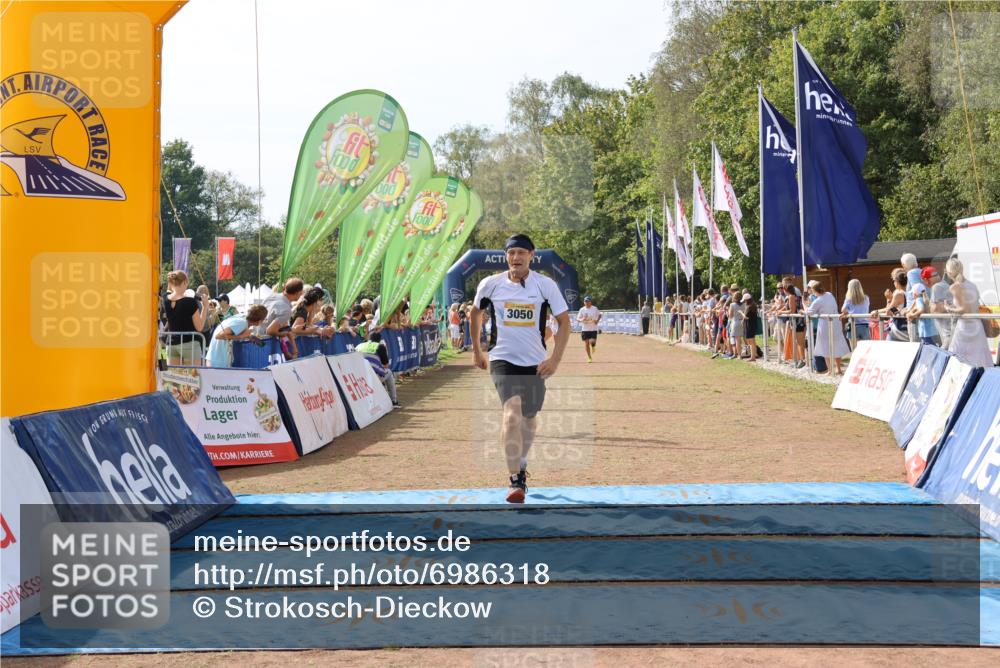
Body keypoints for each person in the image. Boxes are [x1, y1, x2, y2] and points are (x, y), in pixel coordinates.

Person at [471, 234, 570, 504]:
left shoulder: (545, 285)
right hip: (502, 358)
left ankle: (522, 462)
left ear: (531, 256)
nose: (516, 258)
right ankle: (515, 480)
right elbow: (475, 313)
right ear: (506, 256)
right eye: (511, 253)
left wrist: (554, 360)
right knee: (511, 414)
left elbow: (564, 322)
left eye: (521, 253)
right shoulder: (490, 284)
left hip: (535, 362)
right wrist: (477, 350)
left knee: (529, 419)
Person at [945, 258, 993, 367]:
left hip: (965, 328)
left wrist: (949, 308)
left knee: (959, 362)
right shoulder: (972, 285)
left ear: (950, 273)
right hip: (977, 326)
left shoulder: (955, 286)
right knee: (981, 362)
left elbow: (964, 309)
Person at [163, 270, 208, 365]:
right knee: (193, 374)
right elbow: (199, 327)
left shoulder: (165, 298)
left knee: (173, 374)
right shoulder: (190, 302)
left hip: (171, 343)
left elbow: (169, 290)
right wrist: (205, 307)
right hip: (189, 343)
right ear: (184, 282)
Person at [806, 280, 850, 374]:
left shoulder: (818, 300)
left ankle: (830, 370)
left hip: (825, 325)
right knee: (836, 345)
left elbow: (809, 312)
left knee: (825, 346)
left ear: (814, 290)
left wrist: (803, 307)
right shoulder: (829, 295)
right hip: (836, 323)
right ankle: (838, 369)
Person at [260, 278, 304, 358]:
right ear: (297, 293)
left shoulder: (271, 296)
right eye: (301, 292)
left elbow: (285, 327)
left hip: (256, 340)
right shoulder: (286, 310)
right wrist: (283, 334)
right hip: (265, 345)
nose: (302, 294)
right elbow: (270, 331)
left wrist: (294, 348)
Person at [356, 331, 401, 408]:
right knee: (389, 372)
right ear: (379, 340)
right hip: (372, 377)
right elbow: (386, 365)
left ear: (368, 338)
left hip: (358, 377)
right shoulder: (380, 346)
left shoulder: (359, 346)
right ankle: (394, 401)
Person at [924, 266, 954, 348]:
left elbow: (935, 309)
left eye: (924, 281)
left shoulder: (937, 286)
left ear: (926, 280)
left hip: (948, 333)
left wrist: (928, 304)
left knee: (945, 353)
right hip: (950, 331)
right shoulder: (944, 284)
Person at [840, 279, 870, 344]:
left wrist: (849, 312)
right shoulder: (866, 298)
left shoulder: (848, 299)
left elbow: (843, 310)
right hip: (864, 326)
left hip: (853, 325)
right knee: (865, 348)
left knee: (854, 349)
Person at [577, 295, 601, 363]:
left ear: (591, 302)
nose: (587, 302)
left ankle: (593, 346)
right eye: (585, 301)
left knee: (592, 341)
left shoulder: (594, 308)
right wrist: (582, 319)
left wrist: (597, 321)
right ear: (584, 302)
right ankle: (589, 358)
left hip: (593, 329)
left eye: (588, 301)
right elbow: (578, 318)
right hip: (585, 329)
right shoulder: (582, 309)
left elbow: (599, 315)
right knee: (586, 343)